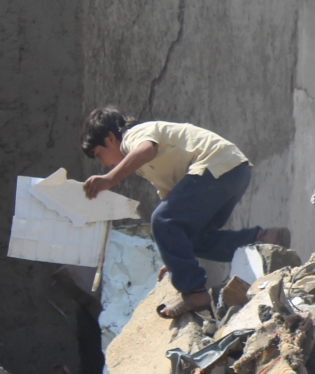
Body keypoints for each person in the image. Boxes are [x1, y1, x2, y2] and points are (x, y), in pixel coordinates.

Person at [79, 106, 290, 318]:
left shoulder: (133, 136)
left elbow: (146, 150)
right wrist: (172, 260)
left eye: (99, 155)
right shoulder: (145, 167)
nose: (104, 164)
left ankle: (194, 292)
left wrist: (110, 179)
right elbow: (172, 206)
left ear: (110, 139)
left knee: (161, 220)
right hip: (233, 173)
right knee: (196, 239)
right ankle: (263, 240)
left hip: (216, 167)